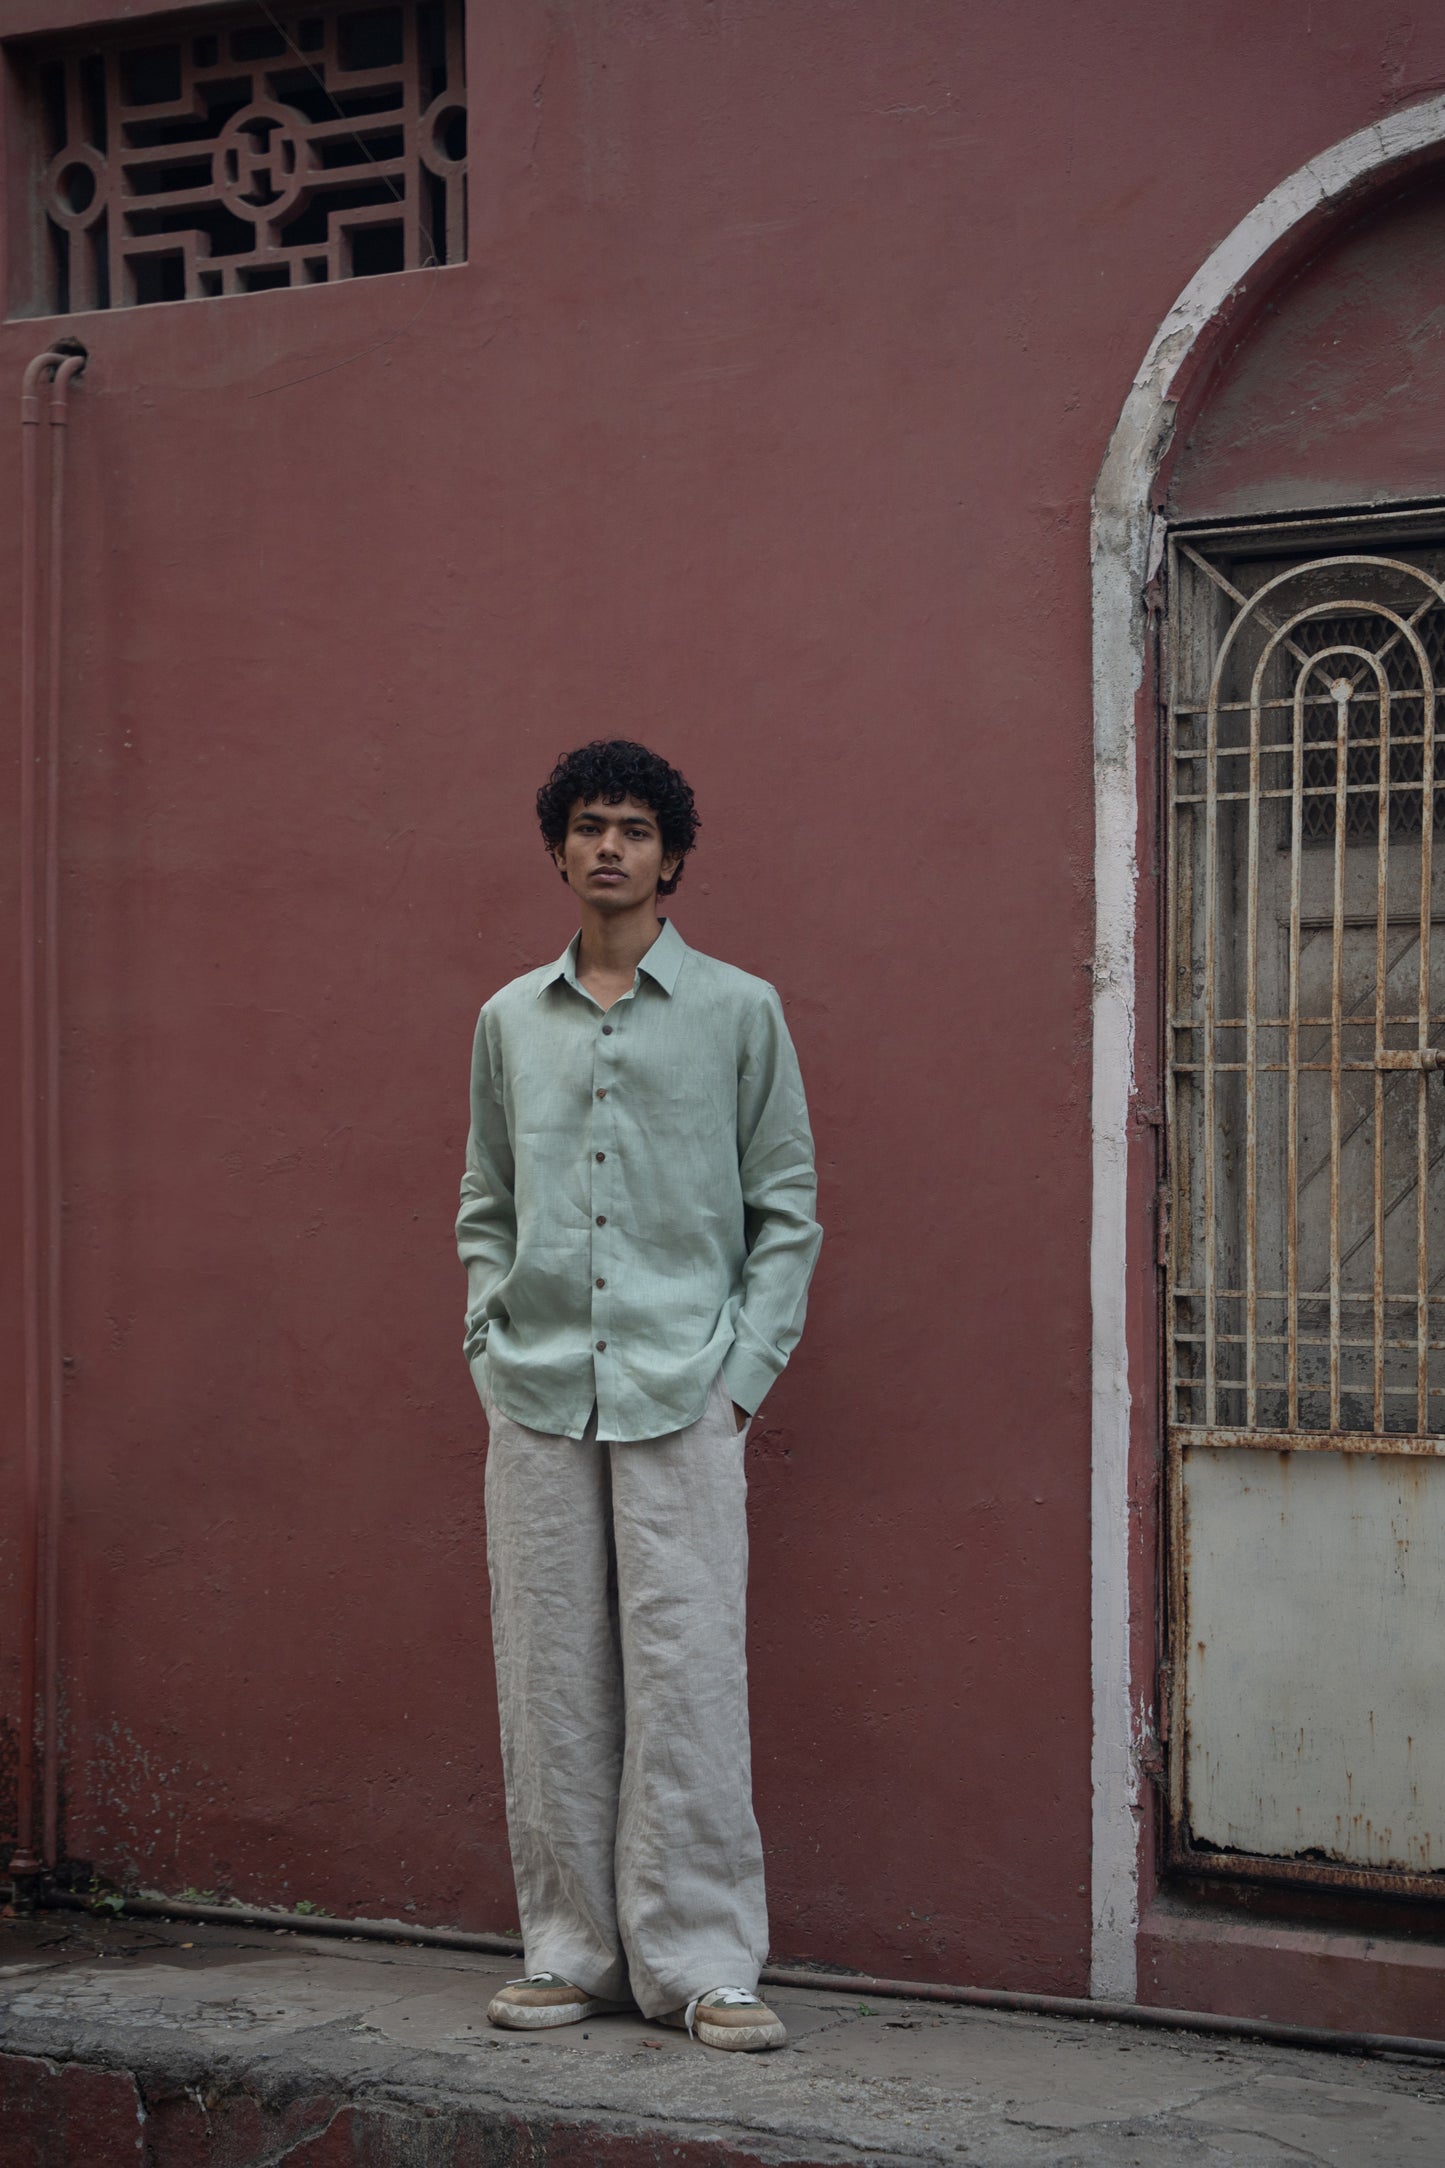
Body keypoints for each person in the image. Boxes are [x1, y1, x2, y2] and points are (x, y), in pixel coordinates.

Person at [456, 739, 822, 2052]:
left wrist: (740, 1380)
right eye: (588, 827)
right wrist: (488, 1336)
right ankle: (569, 1949)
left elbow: (786, 1211)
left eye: (633, 828)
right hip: (541, 1385)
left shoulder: (740, 1012)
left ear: (670, 858)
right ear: (559, 851)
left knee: (686, 1671)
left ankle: (705, 1962)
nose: (609, 846)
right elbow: (485, 1200)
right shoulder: (509, 1020)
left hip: (683, 1387)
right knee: (548, 1675)